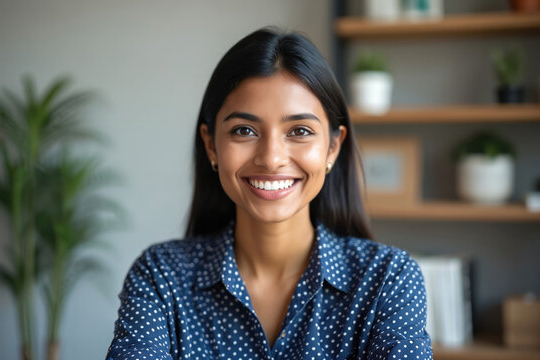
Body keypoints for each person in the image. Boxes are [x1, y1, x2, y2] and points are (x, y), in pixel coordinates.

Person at [106, 27, 432, 360]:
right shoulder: (161, 278)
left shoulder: (387, 280)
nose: (272, 158)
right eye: (244, 130)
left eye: (300, 131)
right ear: (210, 145)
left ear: (333, 147)